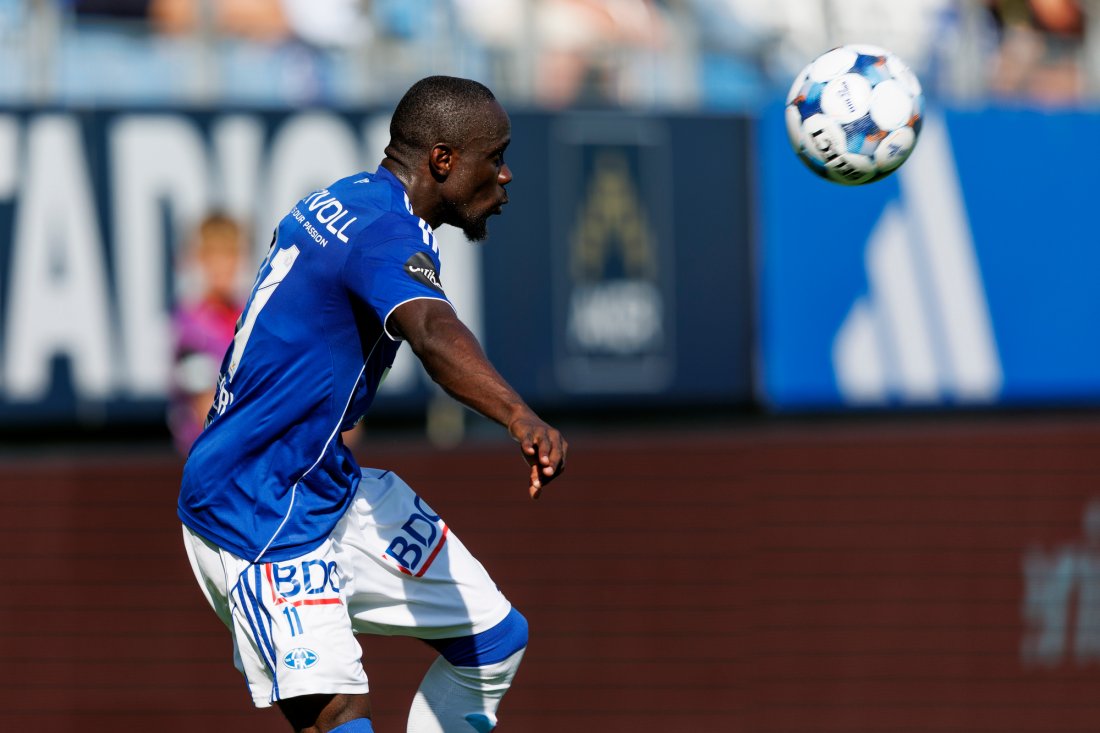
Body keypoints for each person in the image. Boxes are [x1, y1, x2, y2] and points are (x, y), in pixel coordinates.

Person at [177, 75, 568, 733]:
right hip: (257, 508)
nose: (505, 175)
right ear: (443, 160)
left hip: (324, 485)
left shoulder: (349, 197)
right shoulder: (385, 233)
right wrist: (517, 413)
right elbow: (433, 332)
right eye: (495, 157)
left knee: (495, 640)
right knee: (339, 717)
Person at [168, 212, 248, 455]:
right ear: (199, 260)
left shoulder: (252, 315)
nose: (222, 265)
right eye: (212, 254)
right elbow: (208, 412)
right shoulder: (189, 328)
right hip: (209, 463)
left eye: (229, 253)